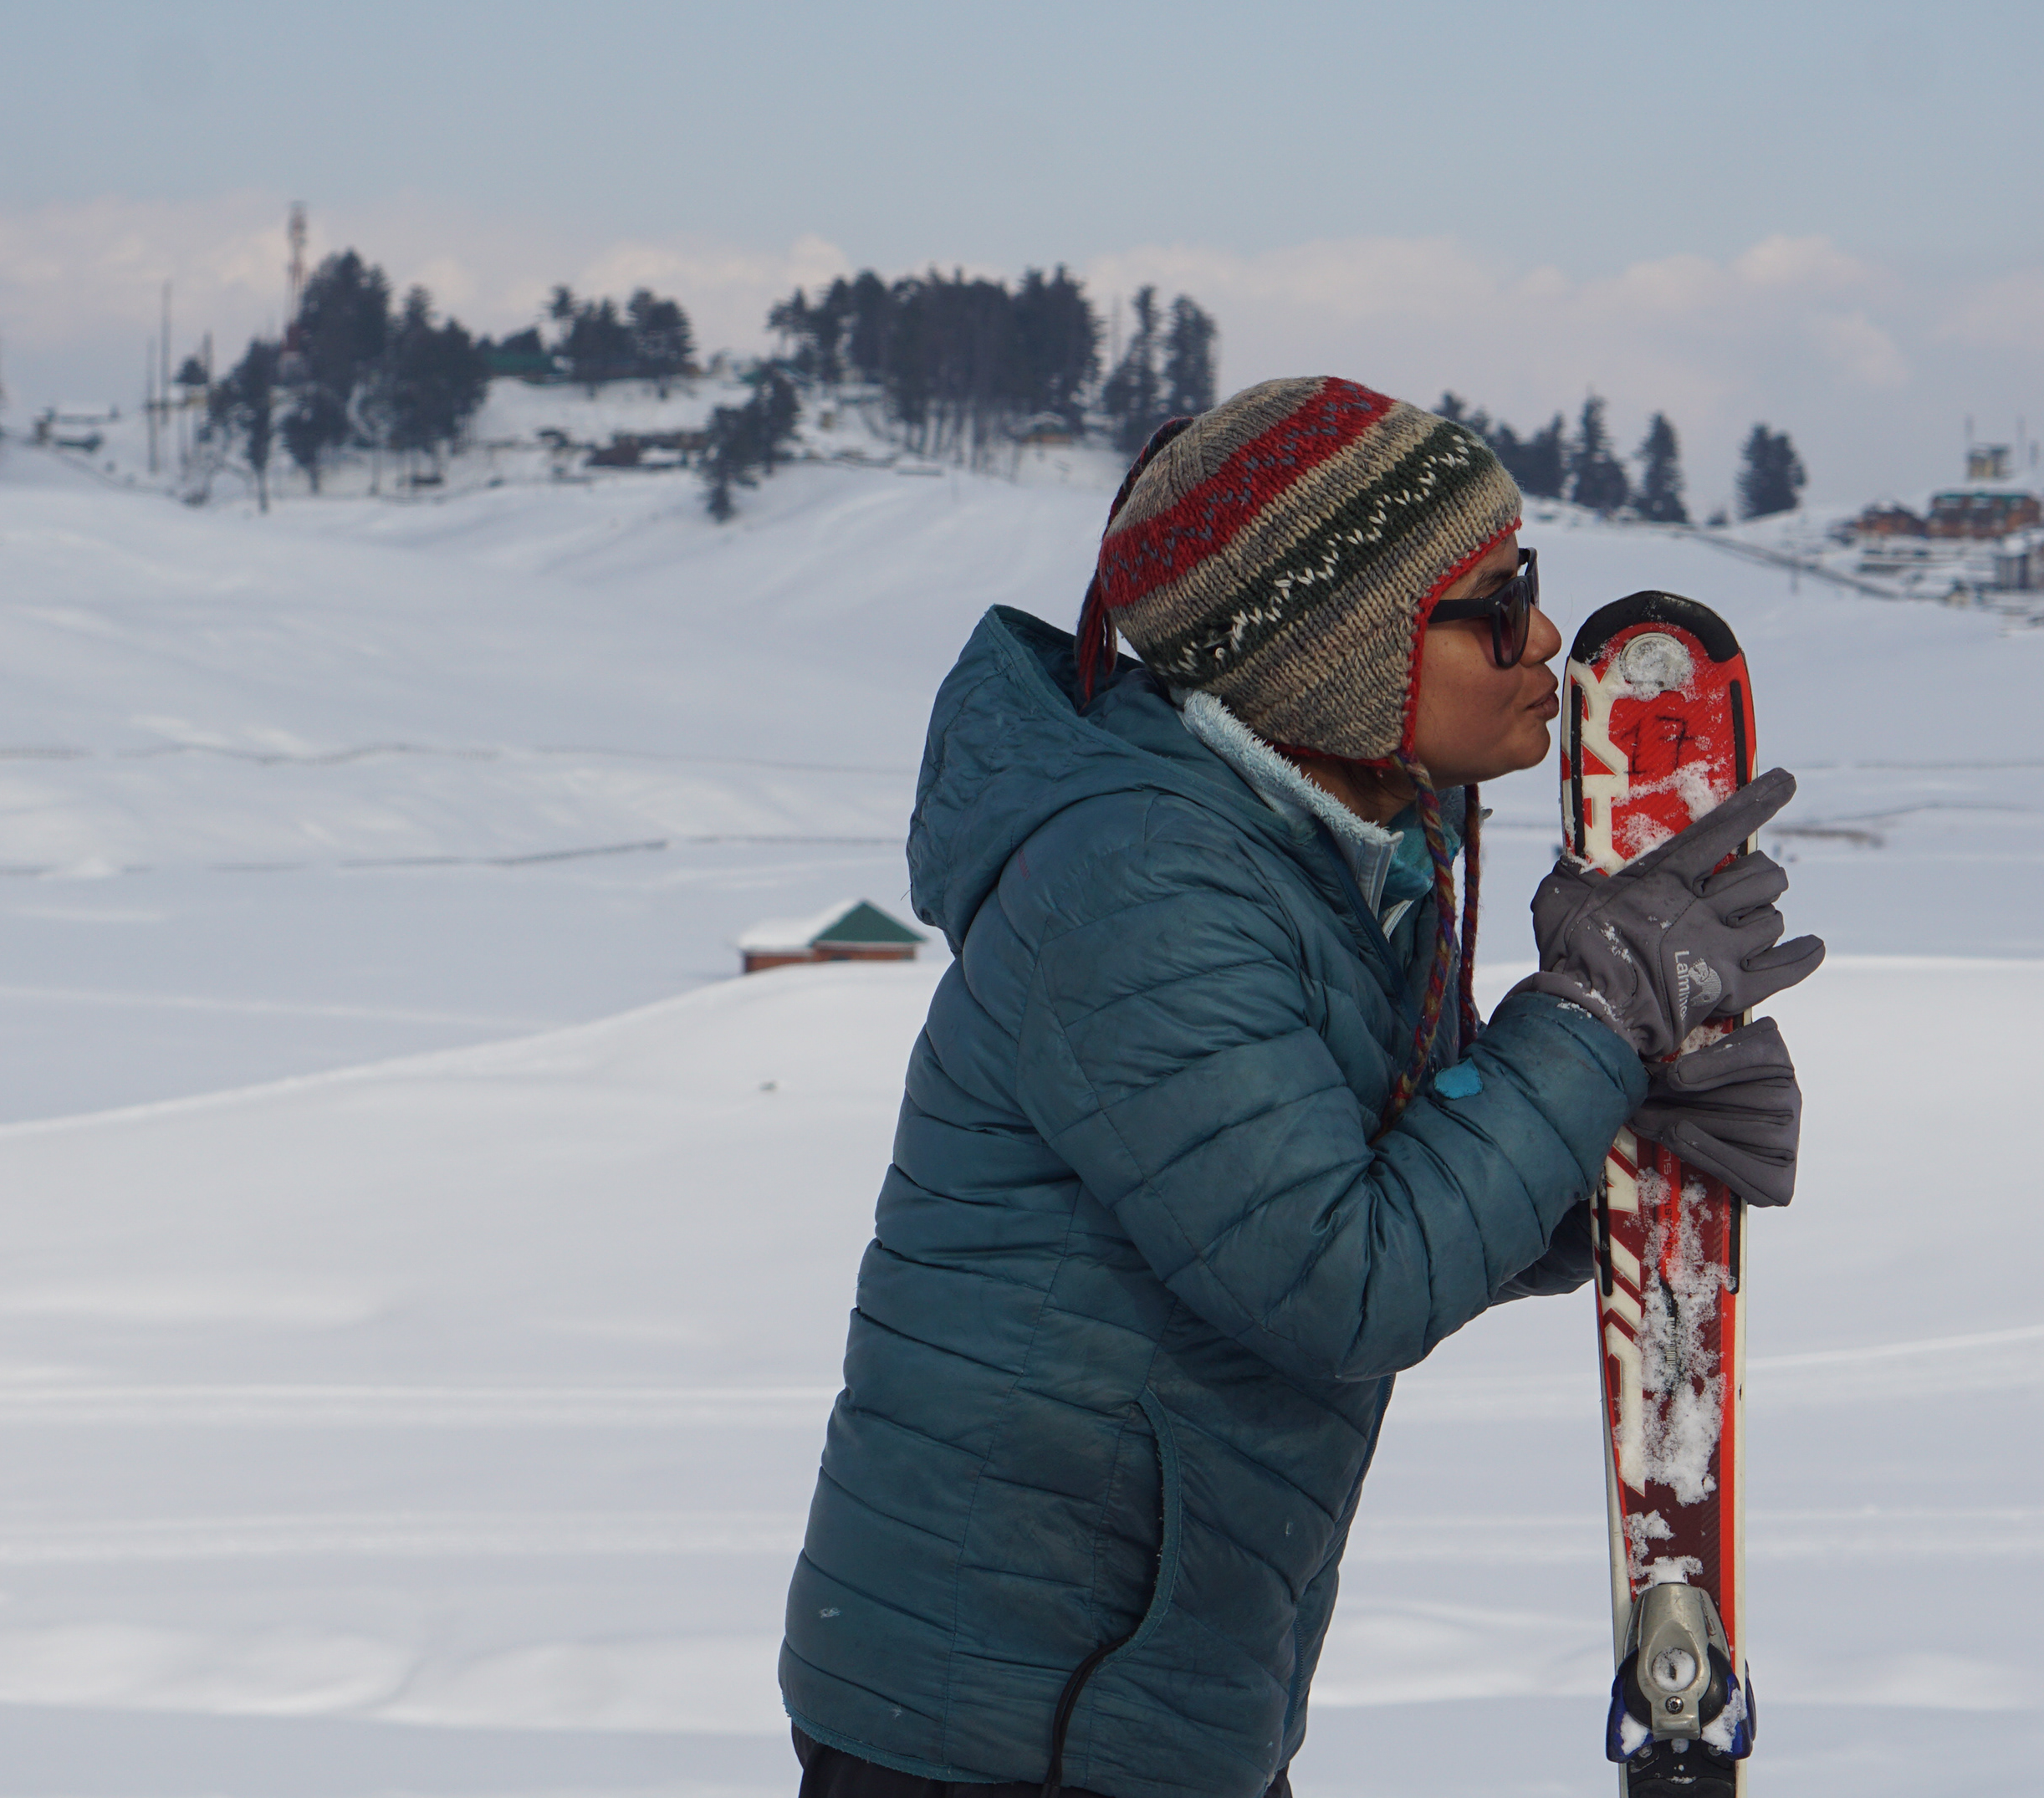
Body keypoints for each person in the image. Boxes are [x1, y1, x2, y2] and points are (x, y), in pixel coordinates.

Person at [780, 378, 1821, 1798]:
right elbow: (1339, 1276)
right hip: (1001, 1720)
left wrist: (1602, 1147)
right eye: (1495, 603)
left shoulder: (1332, 854)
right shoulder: (1145, 881)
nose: (1546, 640)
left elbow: (1353, 1171)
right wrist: (1590, 1021)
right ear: (1341, 657)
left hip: (1139, 1695)